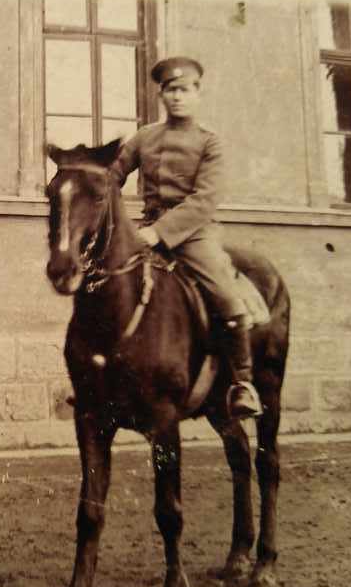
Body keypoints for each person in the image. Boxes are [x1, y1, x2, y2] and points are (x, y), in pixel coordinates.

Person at [108, 56, 262, 420]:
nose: (177, 97)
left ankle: (242, 383)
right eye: (170, 90)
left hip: (192, 234)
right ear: (161, 94)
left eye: (185, 90)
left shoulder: (210, 142)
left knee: (224, 292)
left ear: (197, 93)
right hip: (143, 228)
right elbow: (112, 175)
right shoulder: (145, 137)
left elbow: (205, 199)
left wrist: (159, 233)